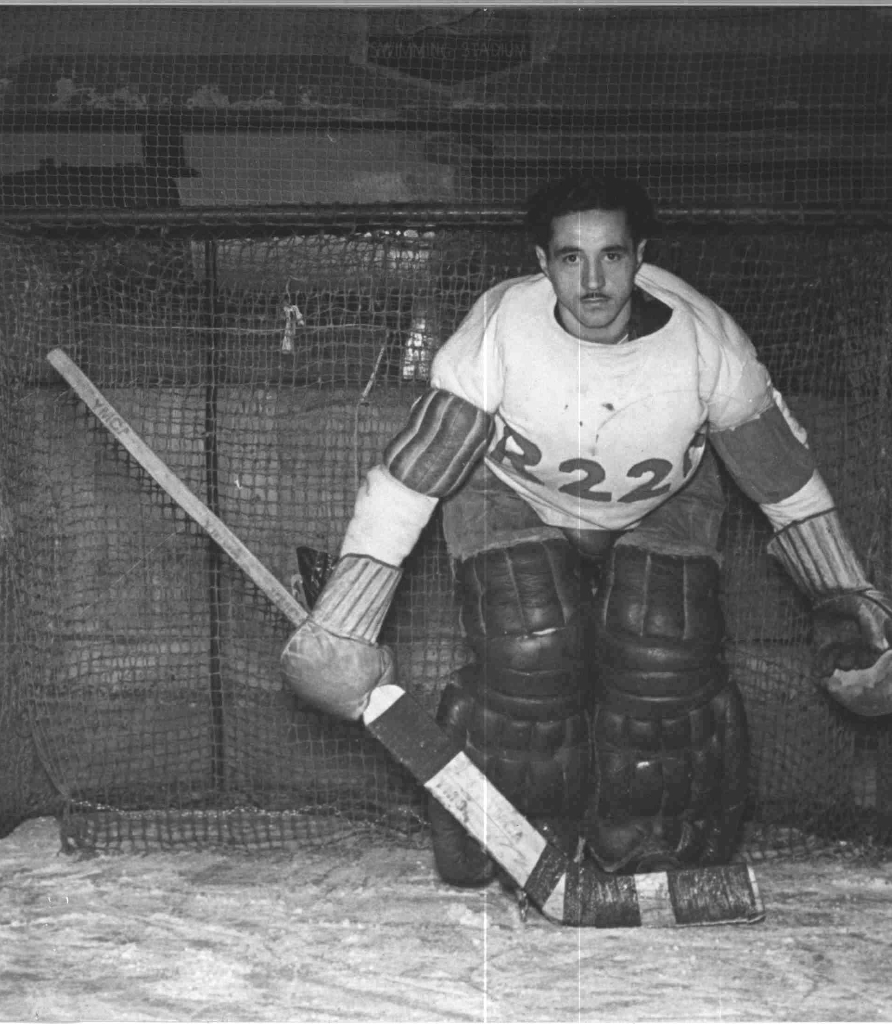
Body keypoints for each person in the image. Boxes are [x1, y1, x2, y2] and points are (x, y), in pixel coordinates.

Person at [281, 176, 892, 886]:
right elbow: (410, 479)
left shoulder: (710, 347)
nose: (593, 280)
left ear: (640, 256)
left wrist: (852, 608)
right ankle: (517, 833)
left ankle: (655, 837)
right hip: (507, 493)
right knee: (530, 643)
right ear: (542, 262)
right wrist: (344, 627)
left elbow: (785, 487)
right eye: (570, 259)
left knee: (661, 643)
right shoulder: (497, 333)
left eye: (611, 256)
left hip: (666, 496)